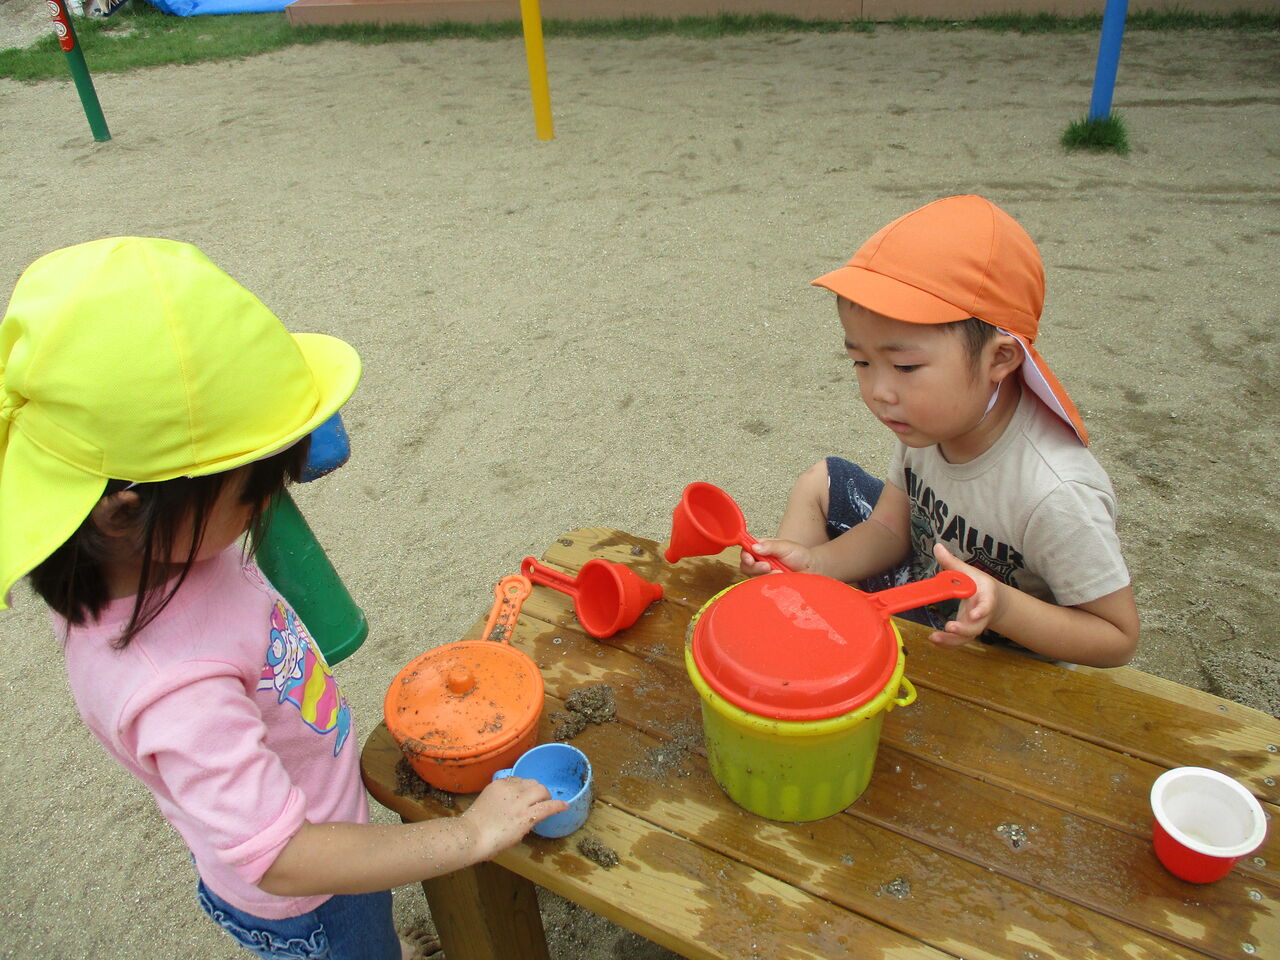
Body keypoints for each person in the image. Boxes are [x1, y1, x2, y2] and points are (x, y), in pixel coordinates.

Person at [0, 237, 567, 960]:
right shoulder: (174, 687)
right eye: (251, 492)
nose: (273, 503)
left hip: (322, 830)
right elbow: (283, 856)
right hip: (309, 898)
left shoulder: (142, 549)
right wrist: (469, 834)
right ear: (122, 511)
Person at [741, 196, 1139, 667]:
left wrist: (1003, 606)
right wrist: (815, 564)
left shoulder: (1054, 491)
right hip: (923, 589)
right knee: (822, 481)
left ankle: (795, 648)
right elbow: (891, 528)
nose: (879, 391)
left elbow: (1117, 637)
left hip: (991, 651)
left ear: (1000, 359)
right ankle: (784, 625)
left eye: (905, 365)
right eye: (862, 362)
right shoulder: (931, 420)